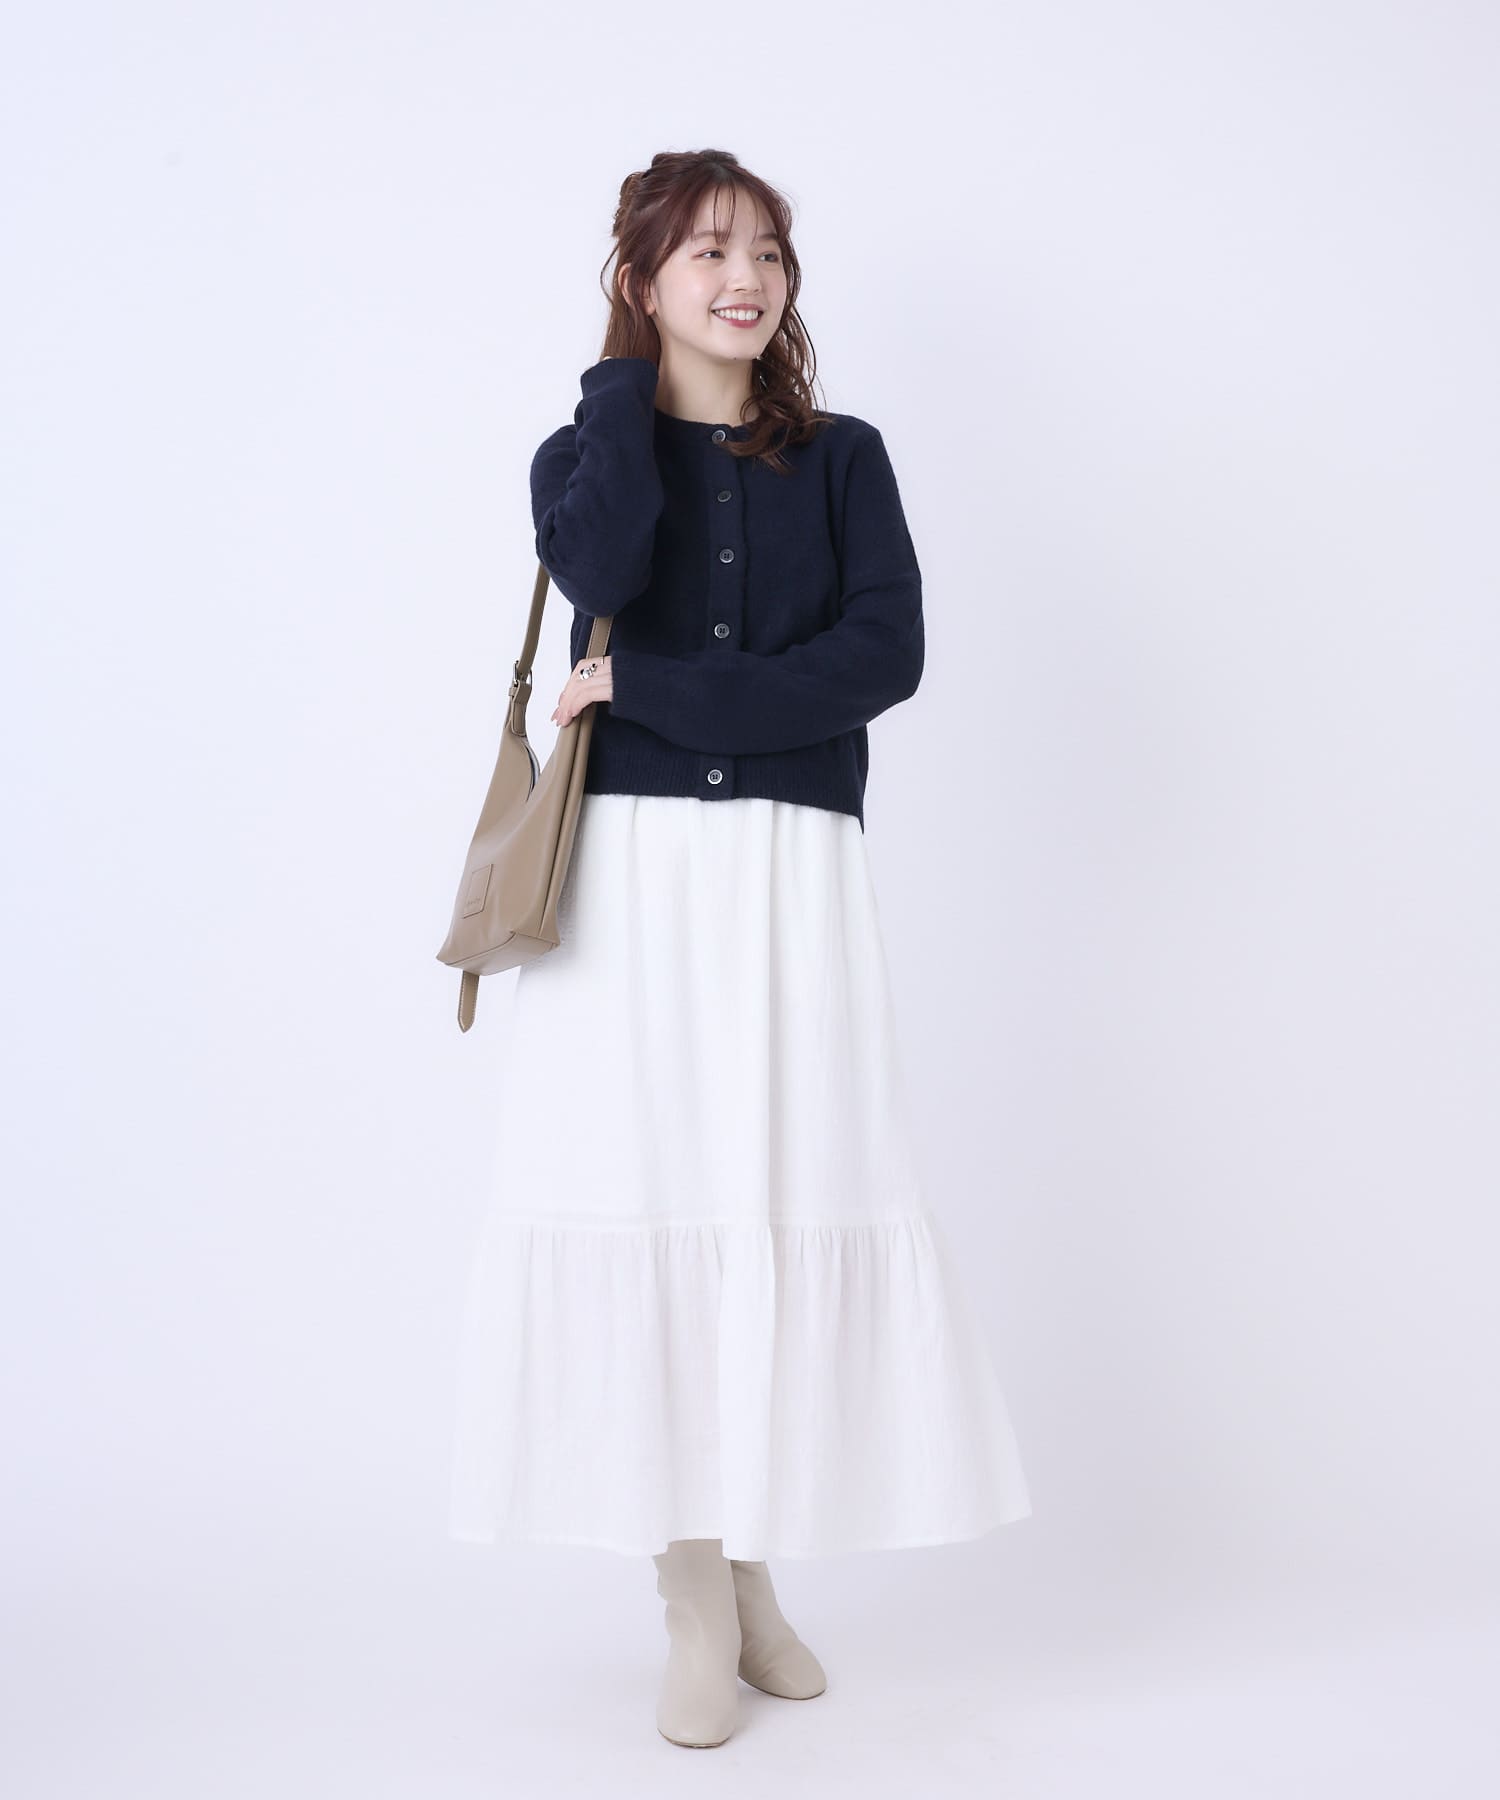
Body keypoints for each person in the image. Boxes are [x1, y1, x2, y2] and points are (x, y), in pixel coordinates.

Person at [446, 148, 1032, 1749]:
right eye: (706, 251)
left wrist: (655, 693)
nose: (745, 278)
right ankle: (695, 1598)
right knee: (654, 1199)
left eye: (766, 251)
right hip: (629, 881)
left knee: (772, 1193)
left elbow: (882, 656)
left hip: (792, 872)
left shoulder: (846, 459)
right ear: (643, 278)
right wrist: (622, 391)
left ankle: (752, 1562)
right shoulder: (586, 451)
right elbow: (601, 571)